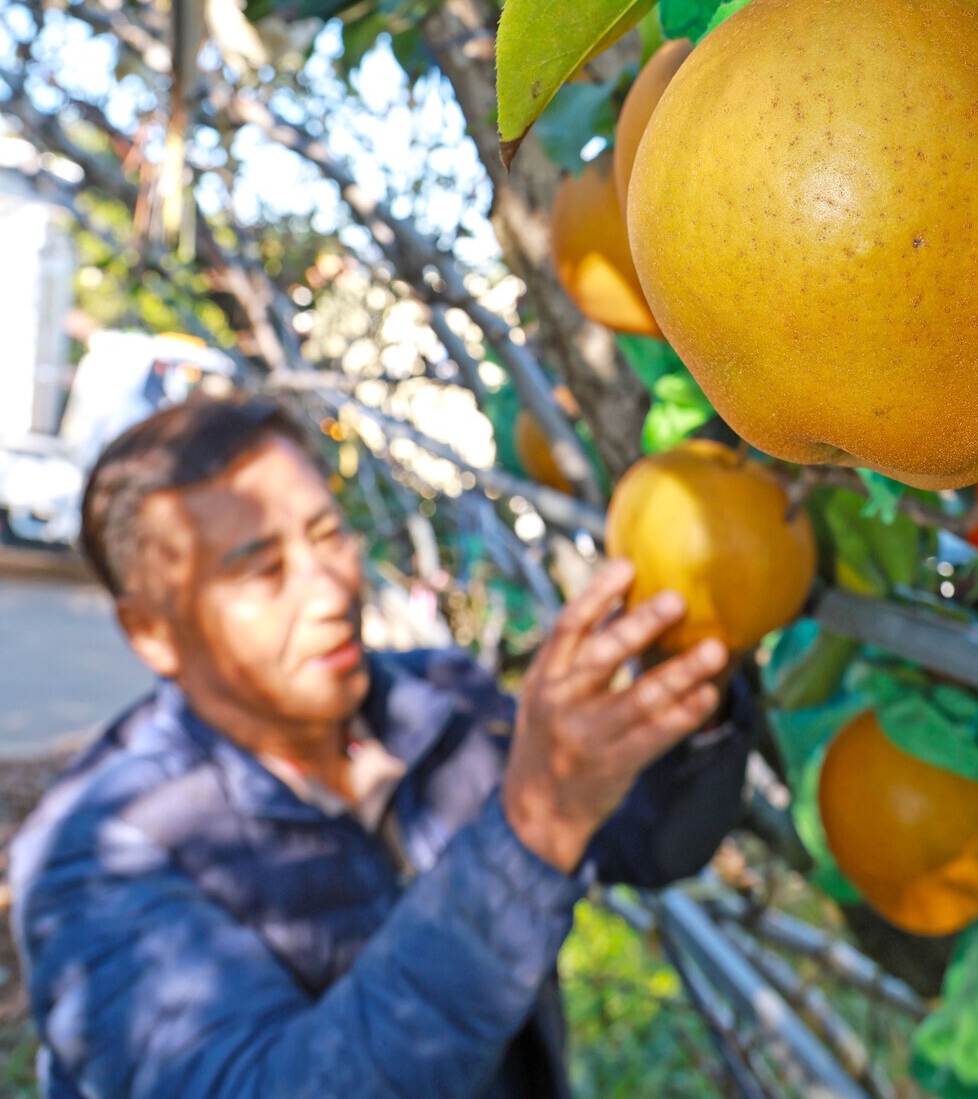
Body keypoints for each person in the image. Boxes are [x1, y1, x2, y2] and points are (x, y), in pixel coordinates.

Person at [11, 395, 755, 1098]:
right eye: (263, 570)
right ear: (151, 631)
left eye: (330, 535)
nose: (329, 589)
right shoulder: (96, 863)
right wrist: (536, 821)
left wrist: (692, 682)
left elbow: (649, 846)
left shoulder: (436, 704)